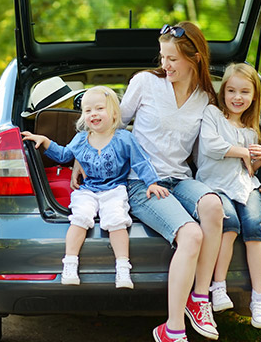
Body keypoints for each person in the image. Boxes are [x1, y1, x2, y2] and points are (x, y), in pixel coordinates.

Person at [117, 21, 225, 342]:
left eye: (174, 59)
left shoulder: (205, 98)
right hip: (143, 183)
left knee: (212, 206)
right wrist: (80, 157)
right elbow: (114, 126)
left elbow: (207, 150)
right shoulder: (145, 83)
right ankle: (173, 330)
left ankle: (199, 297)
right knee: (191, 235)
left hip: (180, 178)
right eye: (163, 57)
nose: (167, 65)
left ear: (195, 59)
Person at [21, 86, 170, 289]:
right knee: (80, 218)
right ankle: (70, 264)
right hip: (88, 189)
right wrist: (46, 141)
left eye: (99, 108)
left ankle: (123, 267)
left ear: (114, 113)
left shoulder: (124, 138)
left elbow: (140, 162)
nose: (94, 114)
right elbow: (64, 156)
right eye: (88, 110)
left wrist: (152, 183)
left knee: (117, 221)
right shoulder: (82, 139)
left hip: (115, 188)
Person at [197, 63, 261, 329]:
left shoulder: (251, 131)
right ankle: (218, 287)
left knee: (253, 229)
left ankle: (259, 299)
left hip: (244, 185)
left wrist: (259, 160)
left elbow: (248, 170)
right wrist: (245, 152)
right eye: (231, 90)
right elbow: (211, 146)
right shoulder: (212, 115)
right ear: (223, 92)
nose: (237, 97)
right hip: (215, 185)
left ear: (253, 97)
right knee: (229, 226)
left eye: (244, 92)